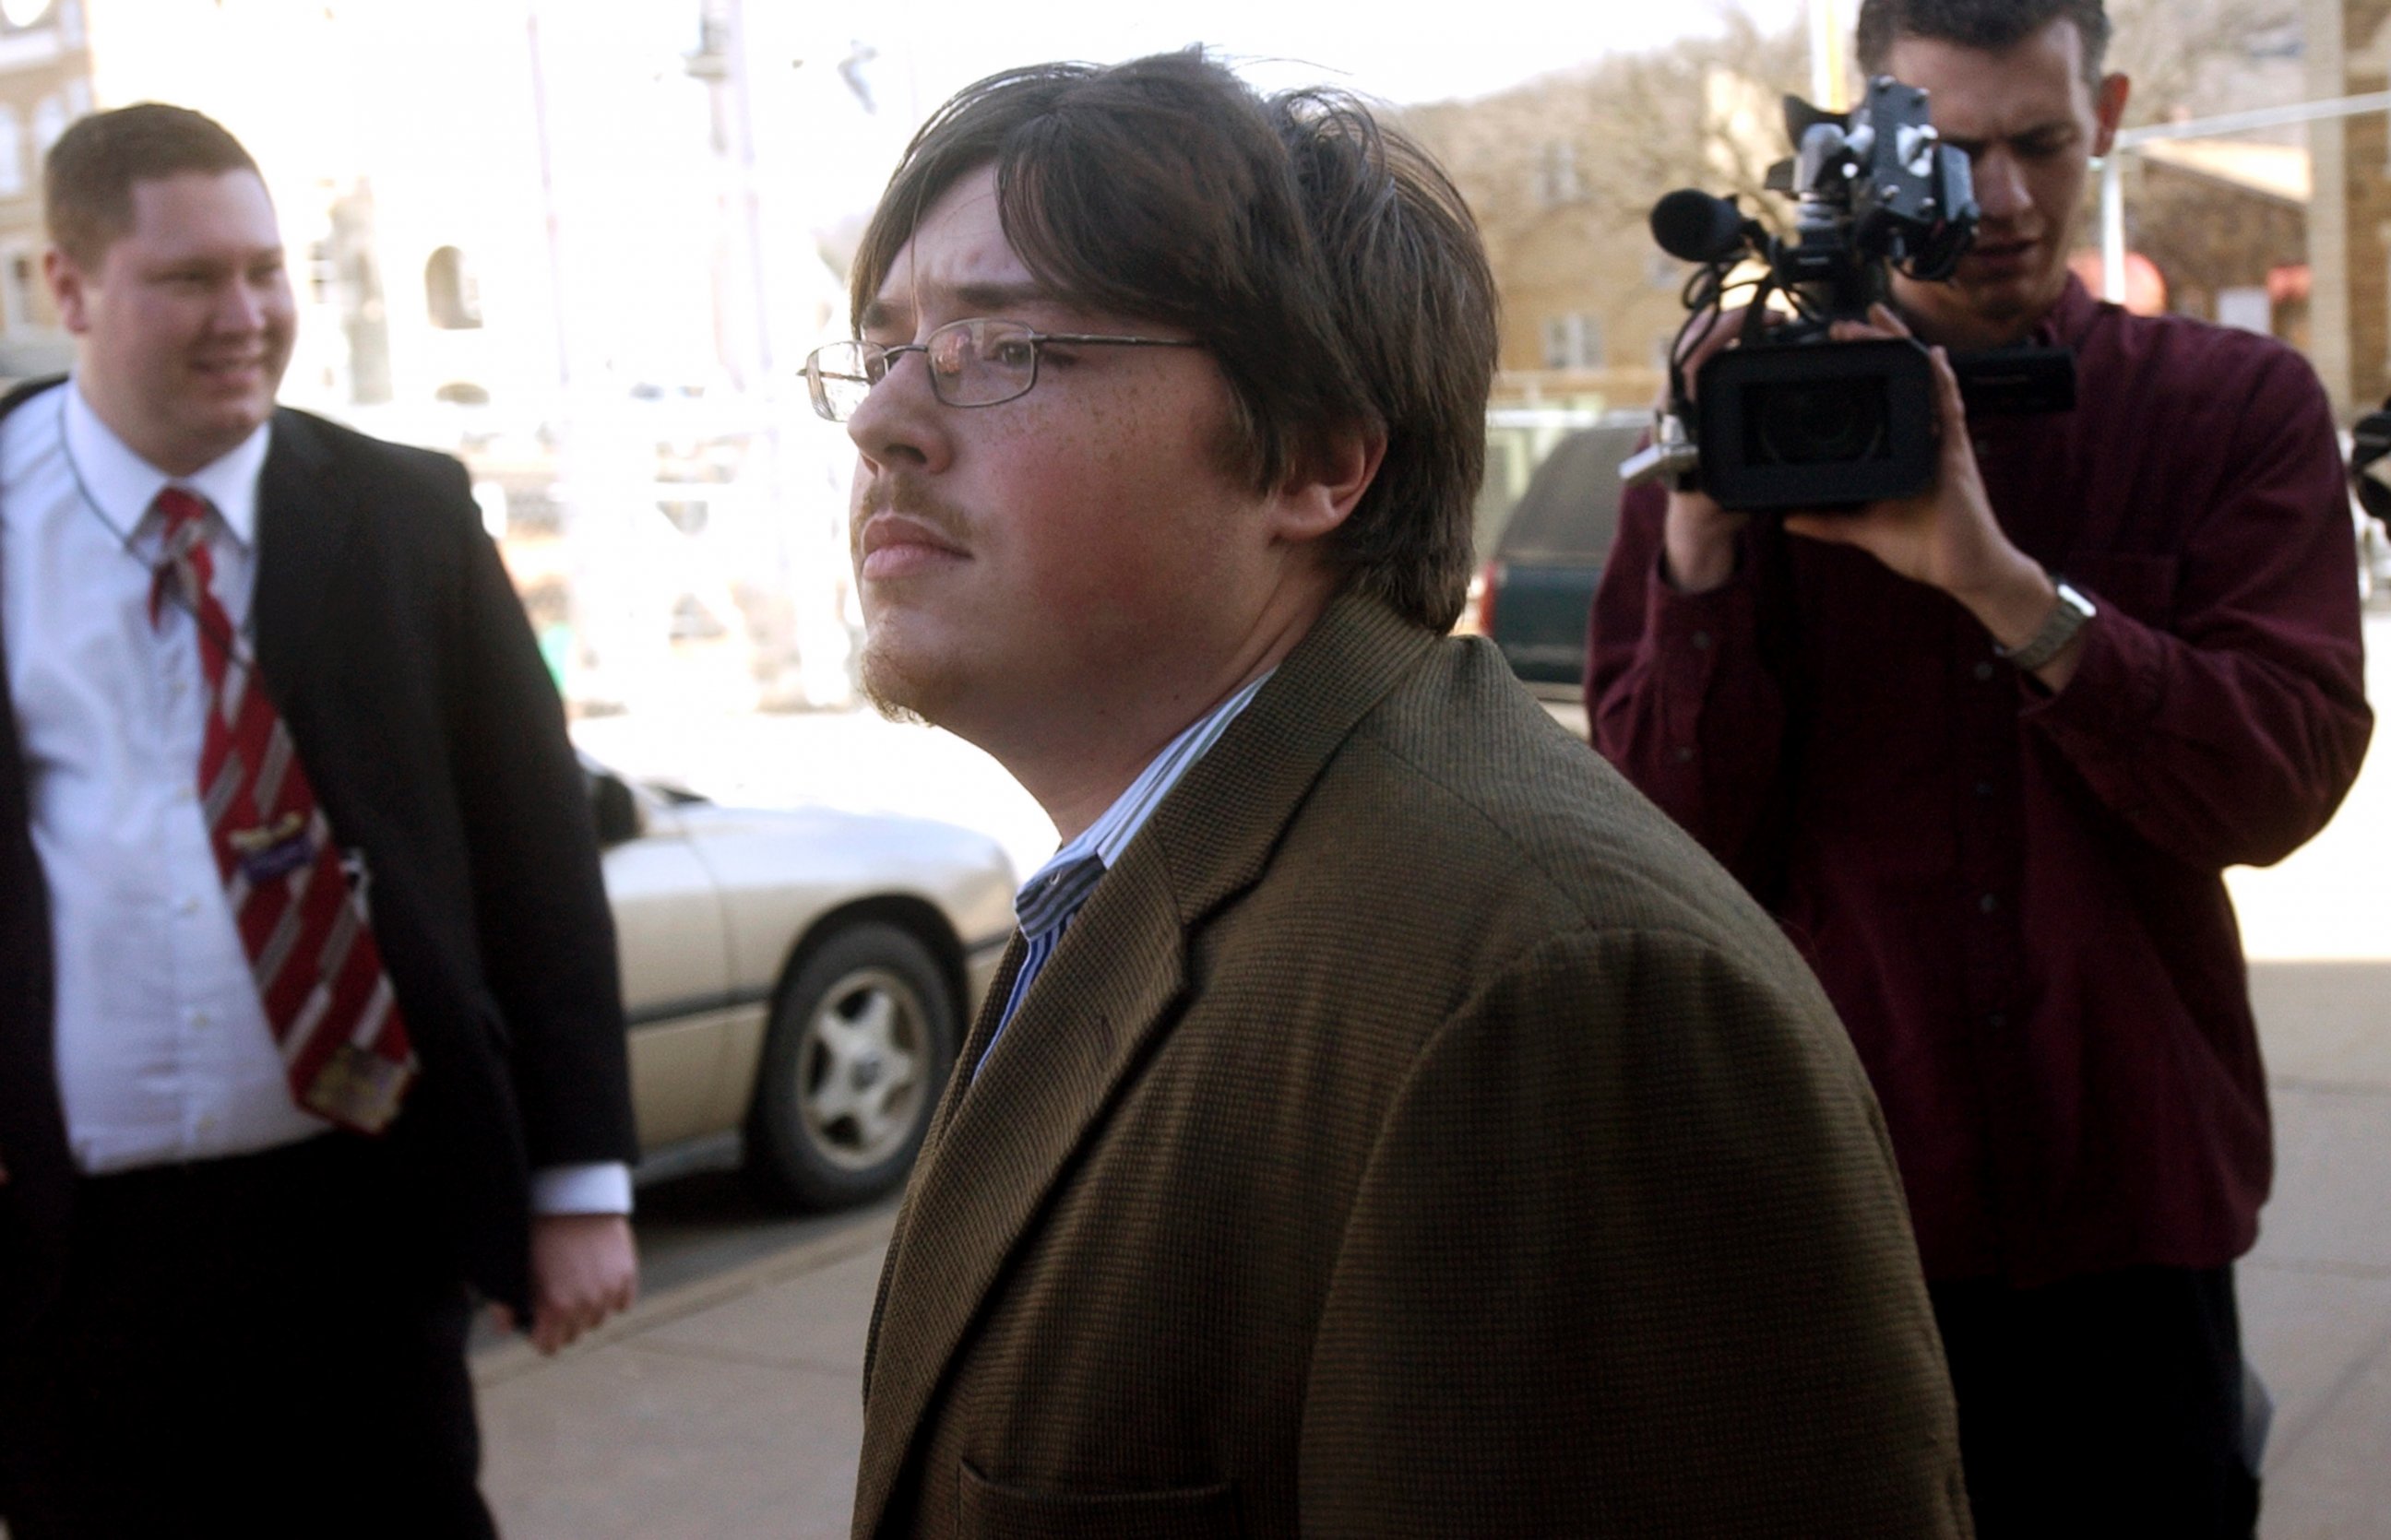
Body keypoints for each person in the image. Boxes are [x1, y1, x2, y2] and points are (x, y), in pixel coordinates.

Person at [816, 51, 1969, 1539]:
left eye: (999, 345)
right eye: (885, 348)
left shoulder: (1556, 999)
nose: (882, 421)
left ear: (1317, 458)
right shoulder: (1173, 875)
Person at [1587, 3, 2373, 1535]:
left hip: (2129, 1213)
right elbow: (1667, 857)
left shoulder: (2230, 410)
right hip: (1833, 1212)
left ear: (2113, 112)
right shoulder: (1733, 428)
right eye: (1948, 154)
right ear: (1857, 151)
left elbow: (2278, 782)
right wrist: (1699, 548)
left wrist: (2007, 588)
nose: (2000, 201)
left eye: (2040, 142)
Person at [0, 103, 639, 1536]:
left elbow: (538, 857)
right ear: (70, 287)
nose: (247, 316)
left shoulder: (407, 516)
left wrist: (580, 1181)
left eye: (267, 271)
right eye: (192, 279)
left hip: (360, 1218)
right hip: (68, 1258)